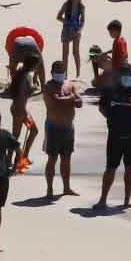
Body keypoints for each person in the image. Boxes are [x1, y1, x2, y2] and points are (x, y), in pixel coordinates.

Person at [94, 63, 131, 209]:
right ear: (119, 75)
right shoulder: (109, 90)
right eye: (125, 74)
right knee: (110, 168)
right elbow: (102, 108)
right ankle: (102, 200)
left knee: (130, 168)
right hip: (114, 136)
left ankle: (126, 201)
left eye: (130, 74)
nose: (128, 77)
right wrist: (111, 119)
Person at [40, 59, 80, 198]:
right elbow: (55, 102)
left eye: (62, 71)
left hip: (68, 127)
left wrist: (68, 98)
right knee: (52, 157)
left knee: (66, 158)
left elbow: (79, 102)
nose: (59, 74)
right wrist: (71, 98)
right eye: (57, 71)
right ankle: (49, 189)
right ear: (52, 73)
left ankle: (66, 188)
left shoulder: (70, 85)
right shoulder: (47, 86)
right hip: (53, 126)